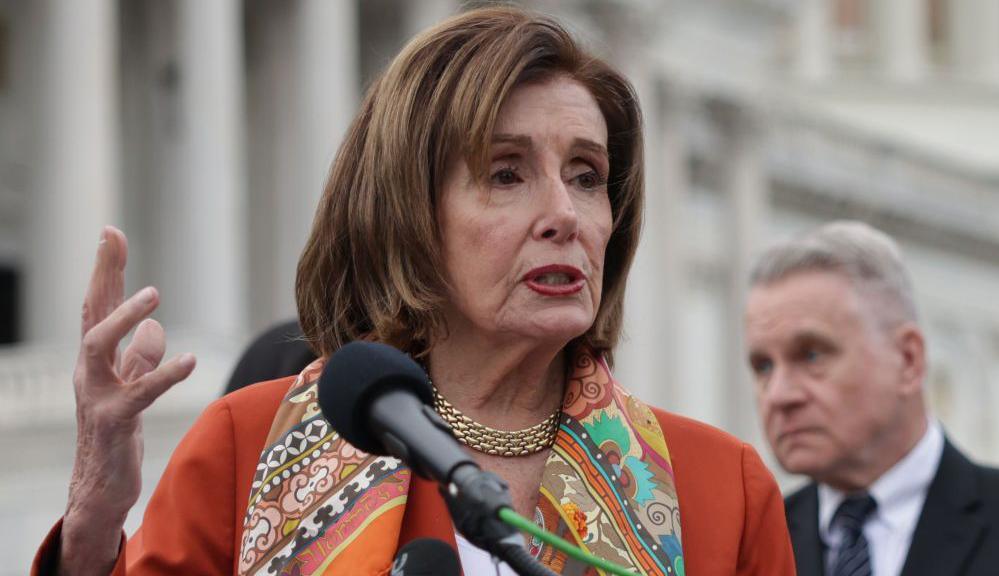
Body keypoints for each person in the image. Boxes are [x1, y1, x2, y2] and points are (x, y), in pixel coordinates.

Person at [35, 7, 795, 575]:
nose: (565, 215)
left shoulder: (719, 490)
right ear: (406, 210)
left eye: (588, 176)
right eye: (506, 173)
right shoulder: (244, 447)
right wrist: (94, 519)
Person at [744, 221, 999, 576]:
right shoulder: (753, 547)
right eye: (763, 366)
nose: (779, 394)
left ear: (908, 359)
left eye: (812, 355)